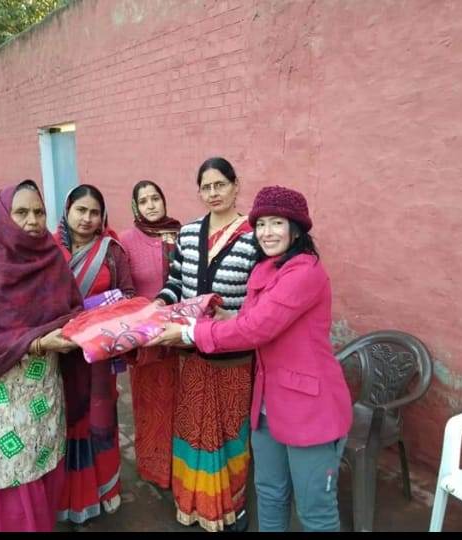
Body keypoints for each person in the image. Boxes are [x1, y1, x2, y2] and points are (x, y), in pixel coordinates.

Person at [150, 186, 353, 532]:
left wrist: (189, 333)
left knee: (315, 511)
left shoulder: (304, 272)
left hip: (308, 407)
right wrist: (221, 317)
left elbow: (257, 329)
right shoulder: (266, 268)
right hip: (267, 403)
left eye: (277, 223)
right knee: (269, 493)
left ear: (296, 230)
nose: (266, 232)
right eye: (260, 224)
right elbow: (251, 320)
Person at [0, 180, 83, 532]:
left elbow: (72, 308)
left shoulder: (51, 259)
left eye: (39, 212)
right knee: (6, 478)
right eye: (22, 212)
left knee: (41, 471)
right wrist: (37, 343)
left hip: (42, 393)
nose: (32, 220)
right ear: (3, 216)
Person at [154, 157, 259, 532]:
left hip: (232, 358)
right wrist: (159, 304)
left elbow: (260, 301)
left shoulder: (254, 237)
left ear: (235, 185)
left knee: (229, 433)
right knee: (193, 428)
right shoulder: (188, 233)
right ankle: (193, 504)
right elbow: (174, 283)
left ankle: (231, 508)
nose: (213, 193)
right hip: (191, 354)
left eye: (220, 185)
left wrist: (236, 318)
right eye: (206, 187)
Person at [53, 184, 135, 524]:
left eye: (94, 212)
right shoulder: (48, 251)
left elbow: (128, 295)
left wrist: (95, 309)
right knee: (66, 422)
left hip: (99, 356)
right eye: (81, 210)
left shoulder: (111, 251)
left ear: (102, 217)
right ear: (67, 211)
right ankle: (68, 496)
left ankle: (105, 489)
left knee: (100, 422)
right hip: (60, 353)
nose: (87, 218)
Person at [119, 180, 182, 489]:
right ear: (136, 207)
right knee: (151, 406)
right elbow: (123, 290)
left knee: (180, 404)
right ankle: (154, 467)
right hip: (146, 340)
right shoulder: (125, 241)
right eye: (143, 201)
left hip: (180, 337)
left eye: (155, 198)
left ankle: (181, 468)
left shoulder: (181, 235)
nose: (151, 205)